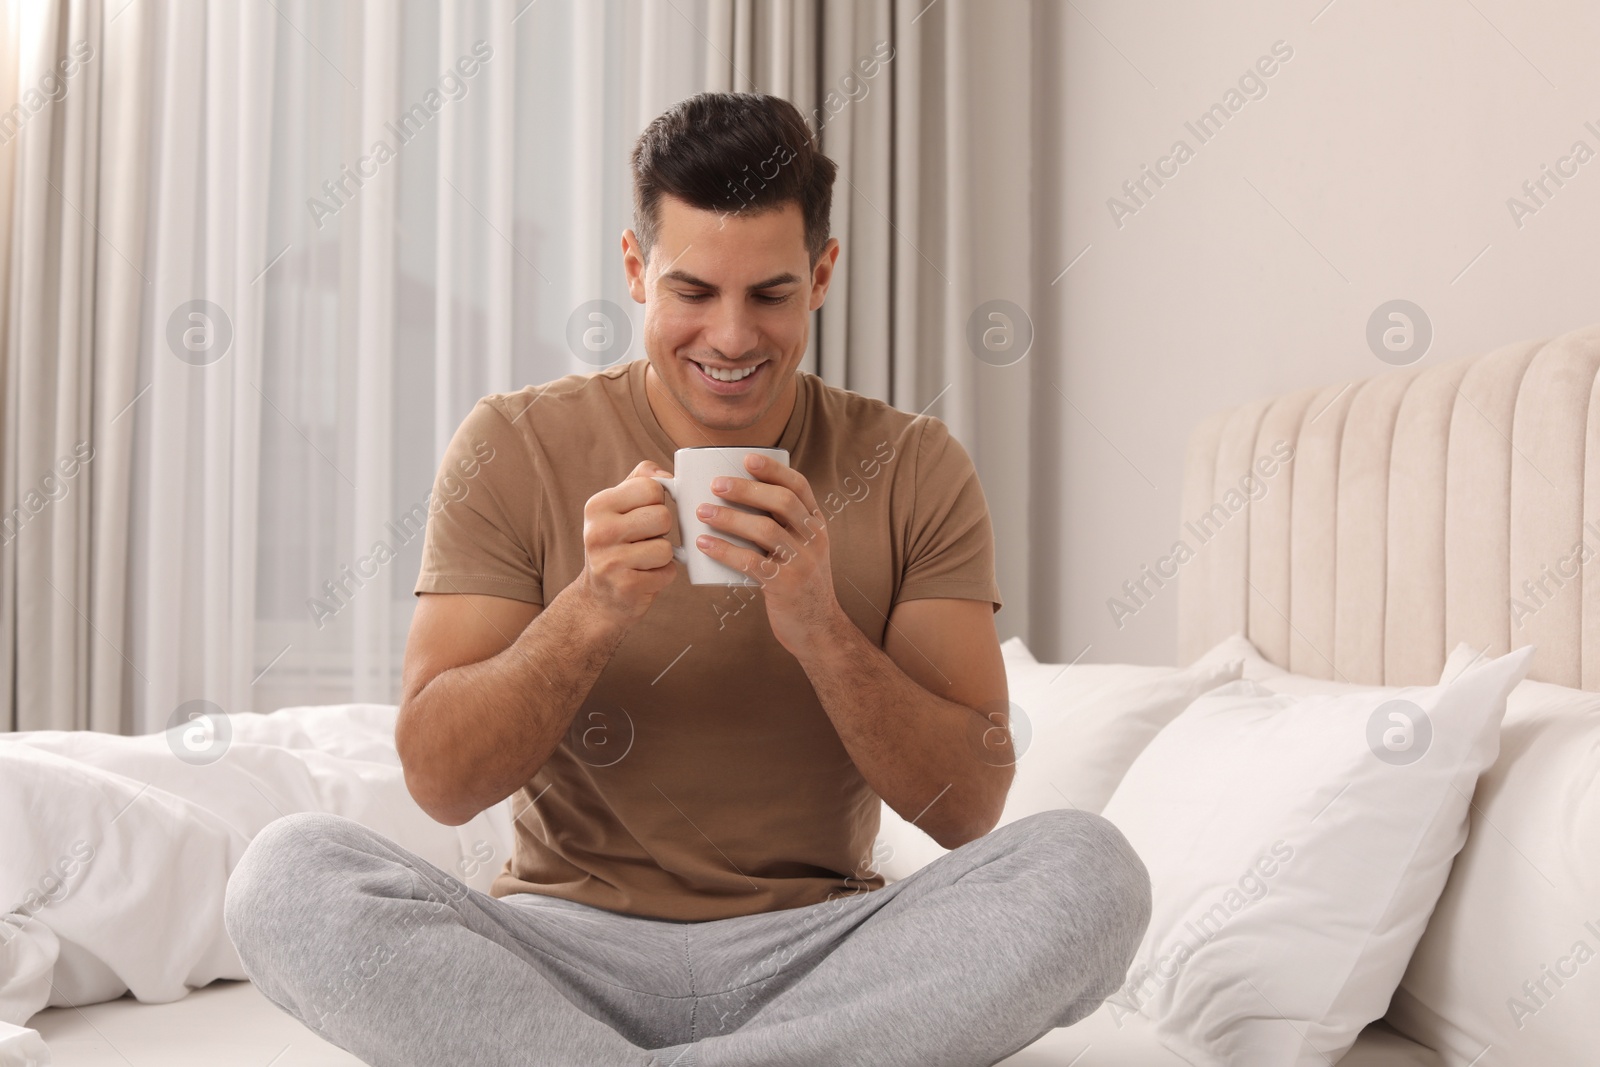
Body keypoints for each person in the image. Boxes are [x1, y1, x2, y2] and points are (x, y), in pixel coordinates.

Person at [225, 90, 1150, 1067]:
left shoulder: (914, 464)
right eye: (693, 291)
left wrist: (819, 627)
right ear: (636, 269)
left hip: (819, 952)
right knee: (285, 873)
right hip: (563, 951)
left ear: (823, 274)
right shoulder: (514, 443)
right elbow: (442, 780)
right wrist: (593, 607)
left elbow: (967, 811)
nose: (732, 336)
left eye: (770, 294)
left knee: (1089, 870)